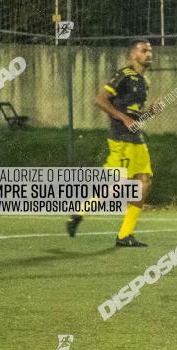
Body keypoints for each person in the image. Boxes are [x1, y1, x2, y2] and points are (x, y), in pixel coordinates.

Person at [66, 39, 160, 246]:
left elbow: (136, 118)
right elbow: (100, 100)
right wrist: (122, 117)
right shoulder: (123, 75)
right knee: (118, 185)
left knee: (143, 184)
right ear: (132, 55)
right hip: (122, 139)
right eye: (144, 51)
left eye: (150, 51)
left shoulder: (144, 82)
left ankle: (125, 235)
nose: (148, 54)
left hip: (136, 139)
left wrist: (150, 113)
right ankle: (79, 213)